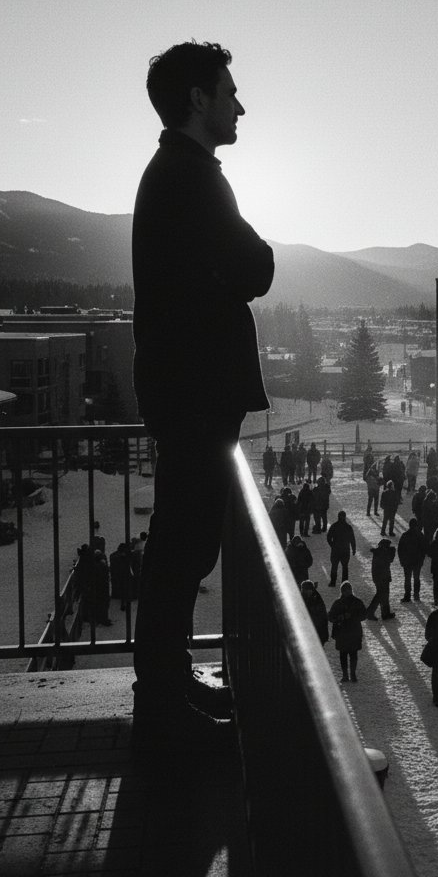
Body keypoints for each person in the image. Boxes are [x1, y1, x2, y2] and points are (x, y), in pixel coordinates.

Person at [131, 40, 273, 746]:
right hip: (194, 393)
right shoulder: (192, 178)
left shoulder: (178, 174)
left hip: (186, 390)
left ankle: (168, 681)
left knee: (182, 544)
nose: (239, 103)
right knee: (182, 545)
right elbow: (255, 265)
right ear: (197, 99)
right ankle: (160, 703)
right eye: (228, 90)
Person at [328, 582, 367, 682]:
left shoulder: (339, 603)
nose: (346, 592)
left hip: (346, 632)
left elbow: (364, 615)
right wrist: (339, 618)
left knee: (347, 654)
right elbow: (330, 617)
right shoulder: (355, 602)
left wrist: (351, 617)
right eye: (345, 590)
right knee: (348, 655)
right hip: (350, 632)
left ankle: (349, 675)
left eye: (348, 590)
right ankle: (348, 675)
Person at [366, 537, 397, 621]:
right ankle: (370, 612)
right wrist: (392, 551)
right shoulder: (383, 553)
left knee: (384, 594)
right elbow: (390, 559)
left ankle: (385, 613)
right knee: (381, 594)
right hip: (382, 577)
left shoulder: (379, 552)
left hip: (381, 577)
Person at [398, 517, 425, 603]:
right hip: (417, 561)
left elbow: (400, 549)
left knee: (407, 579)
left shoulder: (405, 535)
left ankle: (407, 596)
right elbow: (424, 549)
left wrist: (402, 560)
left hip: (407, 561)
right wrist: (421, 560)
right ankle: (416, 595)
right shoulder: (420, 535)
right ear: (416, 525)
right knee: (416, 578)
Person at [326, 511, 356, 587]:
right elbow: (352, 539)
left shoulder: (334, 526)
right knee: (345, 567)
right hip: (345, 550)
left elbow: (329, 537)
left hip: (335, 550)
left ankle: (333, 582)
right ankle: (344, 583)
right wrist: (353, 548)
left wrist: (332, 545)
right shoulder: (348, 527)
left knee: (334, 566)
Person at [300, 580, 328, 645]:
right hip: (314, 631)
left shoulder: (315, 600)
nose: (304, 592)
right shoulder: (316, 598)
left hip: (315, 631)